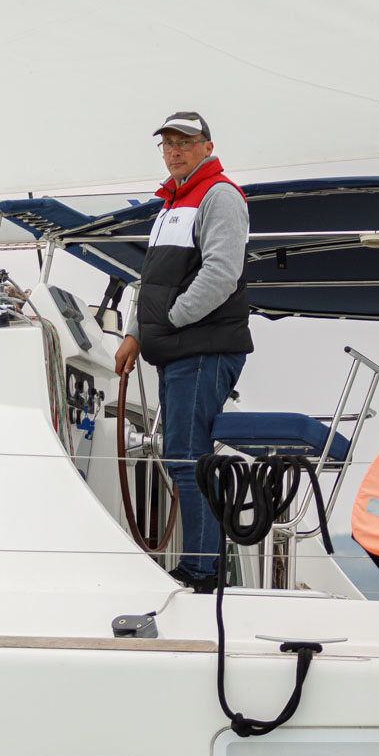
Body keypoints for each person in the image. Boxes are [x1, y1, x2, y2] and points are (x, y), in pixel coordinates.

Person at [114, 111, 252, 592]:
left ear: (208, 147)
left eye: (186, 142)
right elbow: (154, 285)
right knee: (183, 459)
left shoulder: (219, 196)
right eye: (168, 143)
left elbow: (221, 275)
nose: (175, 150)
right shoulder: (171, 204)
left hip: (201, 349)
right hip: (179, 351)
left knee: (189, 461)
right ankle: (199, 568)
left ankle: (201, 573)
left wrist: (167, 321)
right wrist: (136, 333)